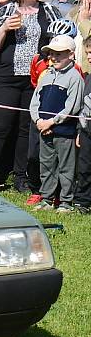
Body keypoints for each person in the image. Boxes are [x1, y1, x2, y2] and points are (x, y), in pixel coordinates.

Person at [0, 0, 63, 193]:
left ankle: (21, 177)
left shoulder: (50, 11)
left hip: (36, 79)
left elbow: (61, 38)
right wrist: (5, 28)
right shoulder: (6, 11)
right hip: (7, 77)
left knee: (26, 129)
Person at [29, 35, 84, 212]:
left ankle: (66, 202)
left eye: (59, 54)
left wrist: (51, 122)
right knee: (46, 165)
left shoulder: (75, 77)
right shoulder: (45, 75)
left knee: (66, 167)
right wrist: (39, 121)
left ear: (71, 54)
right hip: (44, 129)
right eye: (51, 53)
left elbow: (72, 107)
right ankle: (47, 199)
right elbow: (35, 102)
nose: (54, 57)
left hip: (64, 131)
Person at [75, 36, 91, 214]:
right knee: (85, 166)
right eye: (87, 53)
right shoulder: (88, 79)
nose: (89, 57)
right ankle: (82, 201)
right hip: (87, 131)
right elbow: (83, 107)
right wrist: (80, 130)